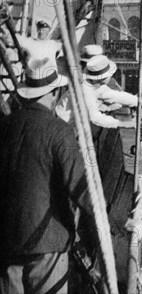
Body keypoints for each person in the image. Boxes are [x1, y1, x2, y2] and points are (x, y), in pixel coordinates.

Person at [0, 56, 95, 294]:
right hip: (46, 243)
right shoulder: (58, 132)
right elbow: (82, 189)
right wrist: (107, 224)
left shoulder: (5, 126)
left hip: (6, 242)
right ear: (55, 92)